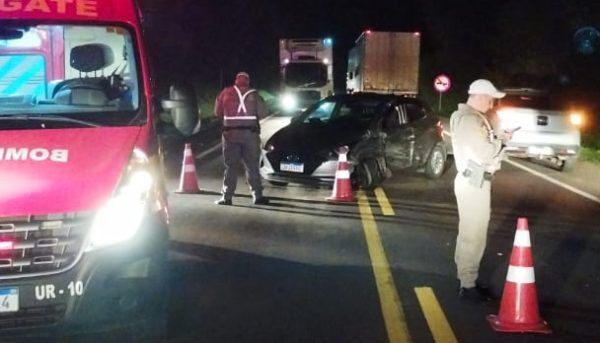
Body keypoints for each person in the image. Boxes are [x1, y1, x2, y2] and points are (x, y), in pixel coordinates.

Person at [450, 79, 508, 302]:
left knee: (470, 233)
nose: (492, 103)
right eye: (490, 98)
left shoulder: (472, 118)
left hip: (474, 181)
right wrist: (502, 142)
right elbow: (485, 153)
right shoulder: (469, 120)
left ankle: (466, 279)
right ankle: (467, 284)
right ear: (480, 96)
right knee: (473, 235)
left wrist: (498, 139)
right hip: (474, 182)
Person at [214, 72, 269, 205]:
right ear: (248, 81)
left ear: (236, 81)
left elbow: (217, 112)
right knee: (252, 166)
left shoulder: (225, 93)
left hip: (230, 136)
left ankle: (227, 197)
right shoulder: (254, 94)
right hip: (250, 135)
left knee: (230, 166)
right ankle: (257, 196)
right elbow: (263, 113)